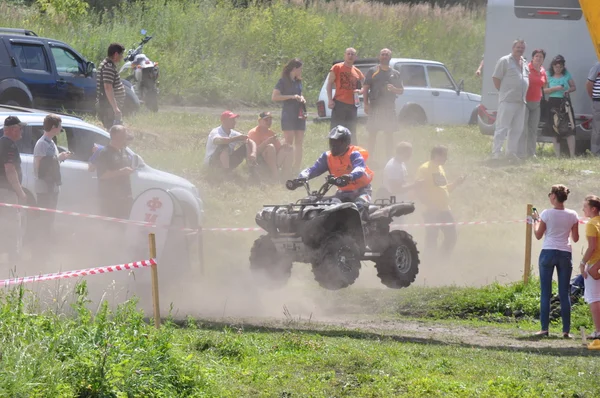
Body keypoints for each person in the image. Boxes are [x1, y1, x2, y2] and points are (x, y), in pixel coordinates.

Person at [532, 184, 579, 338]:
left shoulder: (546, 213)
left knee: (545, 292)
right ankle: (566, 331)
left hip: (548, 251)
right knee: (564, 293)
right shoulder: (573, 214)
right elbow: (576, 238)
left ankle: (544, 329)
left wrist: (535, 222)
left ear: (553, 196)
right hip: (565, 253)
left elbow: (538, 235)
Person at [298, 125, 373, 208]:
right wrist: (303, 176)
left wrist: (350, 176)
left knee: (359, 207)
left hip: (362, 191)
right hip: (342, 192)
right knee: (317, 205)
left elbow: (359, 168)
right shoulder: (327, 157)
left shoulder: (354, 154)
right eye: (331, 142)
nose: (333, 145)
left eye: (337, 142)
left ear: (346, 143)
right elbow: (314, 170)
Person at [415, 145, 466, 255]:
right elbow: (418, 190)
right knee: (432, 238)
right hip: (430, 210)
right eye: (444, 156)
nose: (446, 158)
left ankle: (441, 260)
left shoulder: (440, 168)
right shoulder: (424, 169)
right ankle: (430, 263)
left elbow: (444, 188)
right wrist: (430, 205)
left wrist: (456, 183)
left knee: (451, 236)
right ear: (436, 155)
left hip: (444, 209)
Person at [363, 48, 404, 161]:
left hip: (389, 107)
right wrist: (366, 104)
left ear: (390, 57)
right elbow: (365, 88)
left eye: (387, 55)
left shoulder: (395, 73)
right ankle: (369, 159)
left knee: (389, 134)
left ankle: (389, 159)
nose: (384, 56)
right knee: (372, 134)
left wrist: (394, 89)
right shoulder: (372, 71)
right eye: (383, 54)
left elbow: (401, 90)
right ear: (379, 56)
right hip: (375, 106)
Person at [33, 114, 71, 235]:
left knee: (50, 219)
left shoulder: (51, 142)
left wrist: (60, 158)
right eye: (60, 126)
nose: (61, 129)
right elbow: (39, 166)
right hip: (45, 188)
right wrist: (58, 158)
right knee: (44, 219)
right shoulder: (42, 143)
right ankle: (41, 245)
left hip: (52, 187)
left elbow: (51, 162)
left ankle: (47, 243)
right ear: (54, 126)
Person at [491, 39, 529, 160]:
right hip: (508, 100)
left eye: (522, 48)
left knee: (517, 129)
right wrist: (504, 92)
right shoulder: (504, 61)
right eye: (518, 47)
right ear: (513, 48)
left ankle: (511, 153)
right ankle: (496, 153)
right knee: (502, 127)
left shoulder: (524, 62)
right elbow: (496, 78)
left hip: (521, 101)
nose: (520, 49)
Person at [0, 116, 27, 262]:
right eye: (19, 127)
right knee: (12, 227)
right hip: (6, 193)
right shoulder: (9, 145)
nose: (21, 130)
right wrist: (21, 192)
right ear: (11, 129)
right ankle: (13, 263)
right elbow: (10, 170)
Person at [272, 58, 306, 173]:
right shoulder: (283, 81)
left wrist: (302, 98)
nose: (301, 71)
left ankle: (296, 167)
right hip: (288, 113)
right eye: (300, 69)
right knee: (289, 142)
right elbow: (275, 97)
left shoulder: (298, 81)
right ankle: (284, 167)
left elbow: (300, 93)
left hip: (299, 114)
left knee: (299, 141)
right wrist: (291, 96)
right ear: (294, 69)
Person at [95, 125, 135, 219]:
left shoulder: (123, 151)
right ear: (117, 137)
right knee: (110, 226)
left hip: (124, 196)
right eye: (124, 136)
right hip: (110, 198)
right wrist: (121, 171)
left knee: (123, 225)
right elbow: (102, 175)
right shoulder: (105, 153)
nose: (126, 138)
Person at [326, 48, 365, 144]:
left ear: (355, 57)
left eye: (352, 54)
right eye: (348, 54)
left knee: (351, 130)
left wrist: (360, 91)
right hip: (339, 103)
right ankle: (334, 150)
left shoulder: (357, 71)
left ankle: (350, 152)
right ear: (345, 55)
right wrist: (330, 100)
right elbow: (329, 84)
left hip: (352, 105)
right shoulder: (337, 67)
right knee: (337, 130)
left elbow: (365, 86)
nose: (350, 56)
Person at [543, 55, 576, 157]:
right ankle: (557, 155)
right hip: (553, 102)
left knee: (569, 127)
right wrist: (555, 88)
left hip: (564, 101)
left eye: (560, 67)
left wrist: (568, 90)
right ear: (552, 66)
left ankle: (572, 155)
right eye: (556, 66)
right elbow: (544, 90)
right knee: (554, 128)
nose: (558, 69)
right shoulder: (547, 74)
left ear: (563, 67)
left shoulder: (566, 74)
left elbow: (573, 86)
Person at [247, 112, 293, 182]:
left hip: (272, 161)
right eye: (266, 120)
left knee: (289, 149)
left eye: (270, 120)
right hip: (259, 163)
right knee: (270, 147)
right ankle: (275, 176)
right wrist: (266, 142)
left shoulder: (271, 133)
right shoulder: (253, 132)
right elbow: (255, 153)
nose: (269, 122)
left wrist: (284, 145)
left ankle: (286, 177)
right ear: (259, 121)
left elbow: (278, 149)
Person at [519, 49, 547, 159]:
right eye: (536, 56)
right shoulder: (526, 68)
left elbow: (544, 85)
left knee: (533, 129)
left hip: (536, 103)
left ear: (543, 59)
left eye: (541, 57)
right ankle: (520, 152)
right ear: (533, 57)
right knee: (523, 128)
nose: (538, 58)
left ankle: (531, 153)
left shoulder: (543, 70)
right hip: (525, 101)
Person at [579, 195, 600, 339]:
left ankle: (598, 331)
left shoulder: (592, 224)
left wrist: (583, 262)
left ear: (593, 209)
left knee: (594, 298)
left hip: (594, 262)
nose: (583, 209)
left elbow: (592, 247)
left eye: (585, 206)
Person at [96, 43, 126, 130]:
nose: (122, 57)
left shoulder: (107, 65)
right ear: (116, 54)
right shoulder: (108, 67)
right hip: (108, 107)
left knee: (114, 131)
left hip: (109, 107)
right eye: (121, 54)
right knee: (113, 132)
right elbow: (108, 88)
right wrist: (115, 108)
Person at [585, 61, 600, 155]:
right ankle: (595, 153)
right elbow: (589, 83)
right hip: (598, 100)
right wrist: (594, 97)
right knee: (597, 128)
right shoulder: (598, 65)